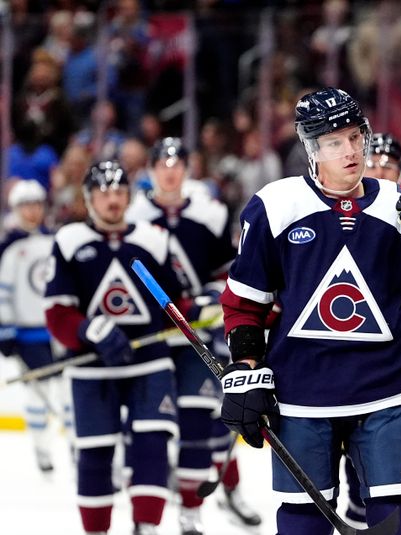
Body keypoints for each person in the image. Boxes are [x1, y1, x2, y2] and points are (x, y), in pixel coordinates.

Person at [219, 87, 401, 534]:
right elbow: (244, 304)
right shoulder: (275, 207)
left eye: (356, 137)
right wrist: (245, 366)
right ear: (312, 148)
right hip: (302, 397)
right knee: (303, 525)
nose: (351, 151)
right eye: (335, 142)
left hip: (385, 395)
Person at [126, 137, 261, 534]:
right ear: (151, 170)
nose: (170, 170)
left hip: (197, 336)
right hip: (152, 338)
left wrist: (210, 298)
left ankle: (195, 511)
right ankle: (149, 512)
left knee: (204, 421)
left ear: (188, 169)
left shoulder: (210, 213)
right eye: (162, 163)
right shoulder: (132, 214)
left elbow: (227, 272)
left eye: (178, 163)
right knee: (149, 428)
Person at [44, 161, 184, 535]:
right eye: (104, 193)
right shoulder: (70, 241)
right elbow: (57, 315)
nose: (112, 200)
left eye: (119, 192)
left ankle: (147, 528)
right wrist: (90, 328)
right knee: (94, 452)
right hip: (91, 367)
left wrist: (199, 308)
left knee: (153, 445)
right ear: (89, 199)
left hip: (149, 364)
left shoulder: (152, 239)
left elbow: (173, 304)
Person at [0, 180, 62, 473]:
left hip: (57, 333)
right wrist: (6, 332)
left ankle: (76, 448)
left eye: (36, 204)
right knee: (37, 395)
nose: (32, 211)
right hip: (27, 335)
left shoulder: (55, 241)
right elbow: (3, 294)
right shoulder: (9, 248)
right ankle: (42, 449)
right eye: (26, 205)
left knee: (64, 393)